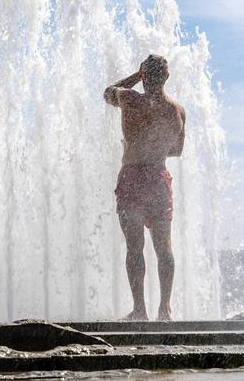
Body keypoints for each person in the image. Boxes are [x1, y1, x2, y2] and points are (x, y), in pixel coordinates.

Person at [103, 54, 185, 321]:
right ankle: (165, 309)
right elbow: (176, 150)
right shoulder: (177, 111)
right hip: (158, 178)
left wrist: (135, 77)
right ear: (167, 77)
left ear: (144, 75)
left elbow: (107, 92)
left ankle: (140, 310)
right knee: (164, 248)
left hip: (132, 178)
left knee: (135, 248)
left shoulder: (130, 99)